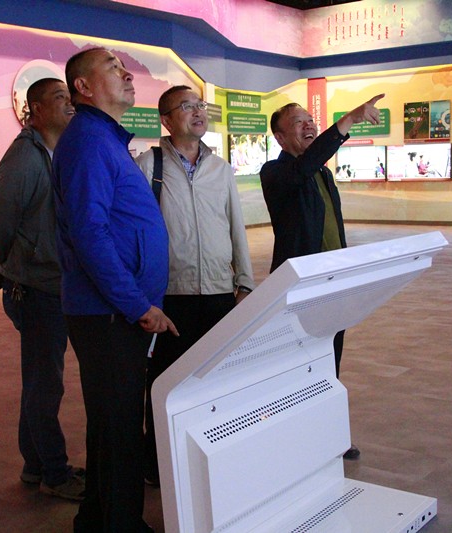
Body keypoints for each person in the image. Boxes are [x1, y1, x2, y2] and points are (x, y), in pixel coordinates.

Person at [51, 47, 178, 533]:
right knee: (121, 427)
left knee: (111, 423)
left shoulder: (101, 138)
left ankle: (96, 519)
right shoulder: (88, 141)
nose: (126, 74)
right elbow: (90, 232)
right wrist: (136, 304)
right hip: (109, 314)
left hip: (112, 312)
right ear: (83, 87)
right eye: (112, 67)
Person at [135, 85, 256, 486]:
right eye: (186, 106)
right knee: (166, 383)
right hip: (171, 296)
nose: (198, 112)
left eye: (200, 105)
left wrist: (245, 282)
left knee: (218, 380)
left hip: (220, 293)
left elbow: (236, 226)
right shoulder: (148, 165)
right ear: (166, 120)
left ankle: (212, 458)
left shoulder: (220, 168)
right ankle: (157, 464)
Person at [260, 93, 385, 461]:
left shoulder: (324, 174)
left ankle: (328, 435)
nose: (309, 125)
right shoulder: (276, 172)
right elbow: (301, 170)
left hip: (333, 284)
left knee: (330, 361)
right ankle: (296, 439)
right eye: (298, 123)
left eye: (309, 120)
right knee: (300, 365)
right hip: (301, 287)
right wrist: (346, 122)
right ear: (280, 138)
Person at [0, 77, 85, 501]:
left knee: (39, 380)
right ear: (36, 110)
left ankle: (34, 464)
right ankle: (55, 473)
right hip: (35, 288)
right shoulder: (25, 157)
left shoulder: (56, 151)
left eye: (70, 97)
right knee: (46, 384)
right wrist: (19, 266)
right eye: (60, 98)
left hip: (51, 283)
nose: (69, 104)